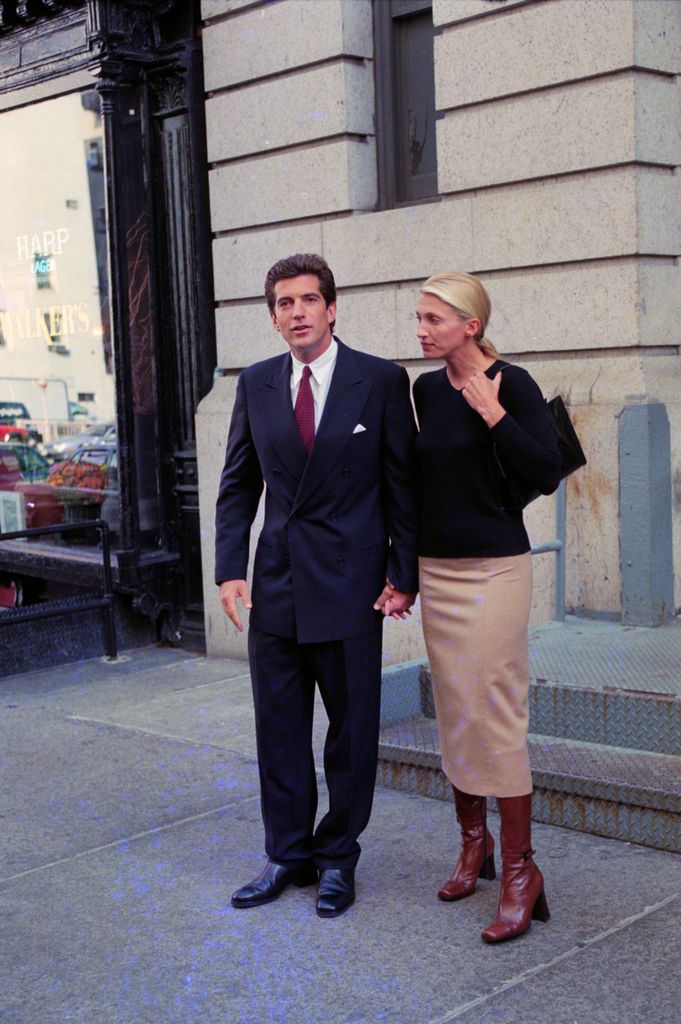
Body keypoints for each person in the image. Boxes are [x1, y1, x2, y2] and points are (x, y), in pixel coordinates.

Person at [215, 253, 419, 918]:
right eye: (283, 303)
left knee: (350, 731)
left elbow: (401, 486)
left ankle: (337, 859)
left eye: (307, 300)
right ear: (273, 319)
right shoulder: (258, 384)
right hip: (274, 584)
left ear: (331, 308)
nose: (296, 312)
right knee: (278, 728)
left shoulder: (381, 381)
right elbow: (238, 484)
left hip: (349, 584)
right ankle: (287, 853)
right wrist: (228, 569)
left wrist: (401, 572)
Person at [413, 271, 561, 943]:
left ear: (468, 325)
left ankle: (520, 873)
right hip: (437, 570)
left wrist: (492, 412)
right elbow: (415, 485)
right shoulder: (421, 391)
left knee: (496, 709)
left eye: (432, 319)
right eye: (419, 317)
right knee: (454, 708)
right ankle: (474, 845)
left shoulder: (513, 383)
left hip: (497, 569)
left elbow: (544, 470)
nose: (420, 329)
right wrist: (403, 572)